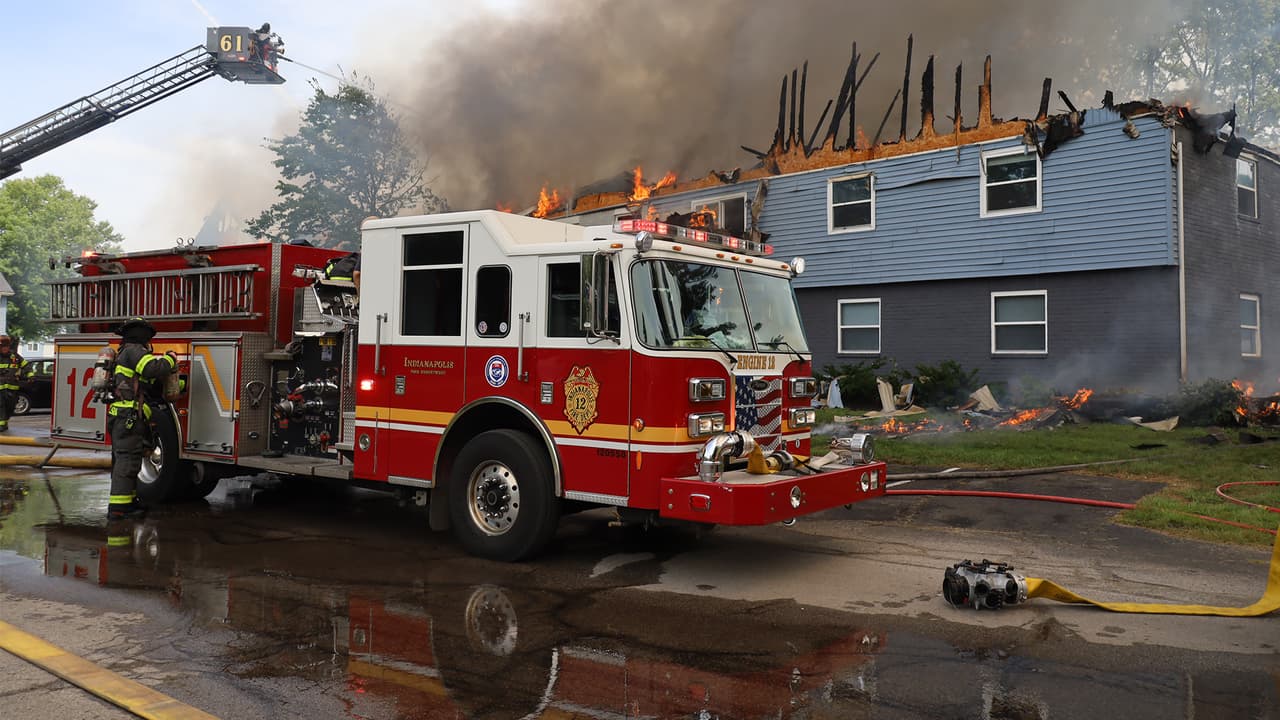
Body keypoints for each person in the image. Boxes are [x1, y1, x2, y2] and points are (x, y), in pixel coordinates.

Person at [107, 318, 177, 519]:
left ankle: (128, 503)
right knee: (127, 463)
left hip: (125, 416)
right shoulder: (134, 351)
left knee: (130, 462)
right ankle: (119, 509)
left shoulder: (125, 351)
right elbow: (151, 368)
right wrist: (170, 359)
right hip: (128, 416)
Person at [0, 334, 30, 433]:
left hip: (13, 388)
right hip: (0, 388)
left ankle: (4, 422)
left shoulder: (15, 357)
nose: (4, 349)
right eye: (2, 347)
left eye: (6, 346)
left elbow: (25, 365)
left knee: (11, 407)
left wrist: (31, 375)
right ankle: (2, 425)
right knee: (1, 406)